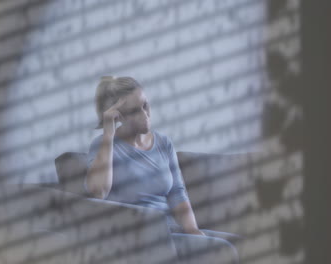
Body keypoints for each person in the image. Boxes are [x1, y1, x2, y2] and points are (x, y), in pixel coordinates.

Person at [84, 76, 243, 264]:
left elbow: (177, 192)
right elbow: (98, 192)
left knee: (242, 244)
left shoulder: (163, 143)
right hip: (143, 239)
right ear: (118, 116)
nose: (145, 115)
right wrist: (108, 134)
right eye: (135, 111)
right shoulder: (103, 146)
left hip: (172, 231)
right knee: (224, 251)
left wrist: (192, 231)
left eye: (145, 105)